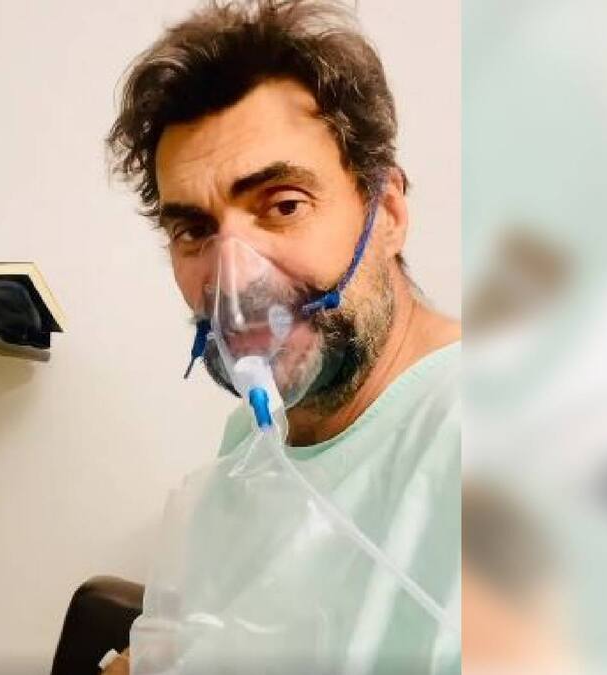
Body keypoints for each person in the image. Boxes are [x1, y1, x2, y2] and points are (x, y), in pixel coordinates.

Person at [104, 0, 460, 670]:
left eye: (284, 205)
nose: (234, 280)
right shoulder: (254, 437)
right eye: (194, 230)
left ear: (387, 212)